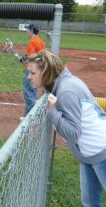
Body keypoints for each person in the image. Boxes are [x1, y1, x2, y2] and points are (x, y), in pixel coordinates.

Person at [27, 49, 106, 207]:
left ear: (47, 72)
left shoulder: (66, 91)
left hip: (101, 151)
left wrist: (51, 113)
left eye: (32, 73)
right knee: (90, 202)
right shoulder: (62, 85)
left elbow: (73, 134)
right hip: (89, 154)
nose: (28, 77)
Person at [20, 23, 46, 119]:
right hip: (39, 69)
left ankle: (32, 117)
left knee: (28, 93)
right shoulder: (40, 41)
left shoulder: (32, 42)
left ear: (31, 31)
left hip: (31, 70)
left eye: (28, 30)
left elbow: (30, 57)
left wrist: (23, 60)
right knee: (32, 92)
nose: (27, 31)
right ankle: (27, 116)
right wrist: (24, 59)